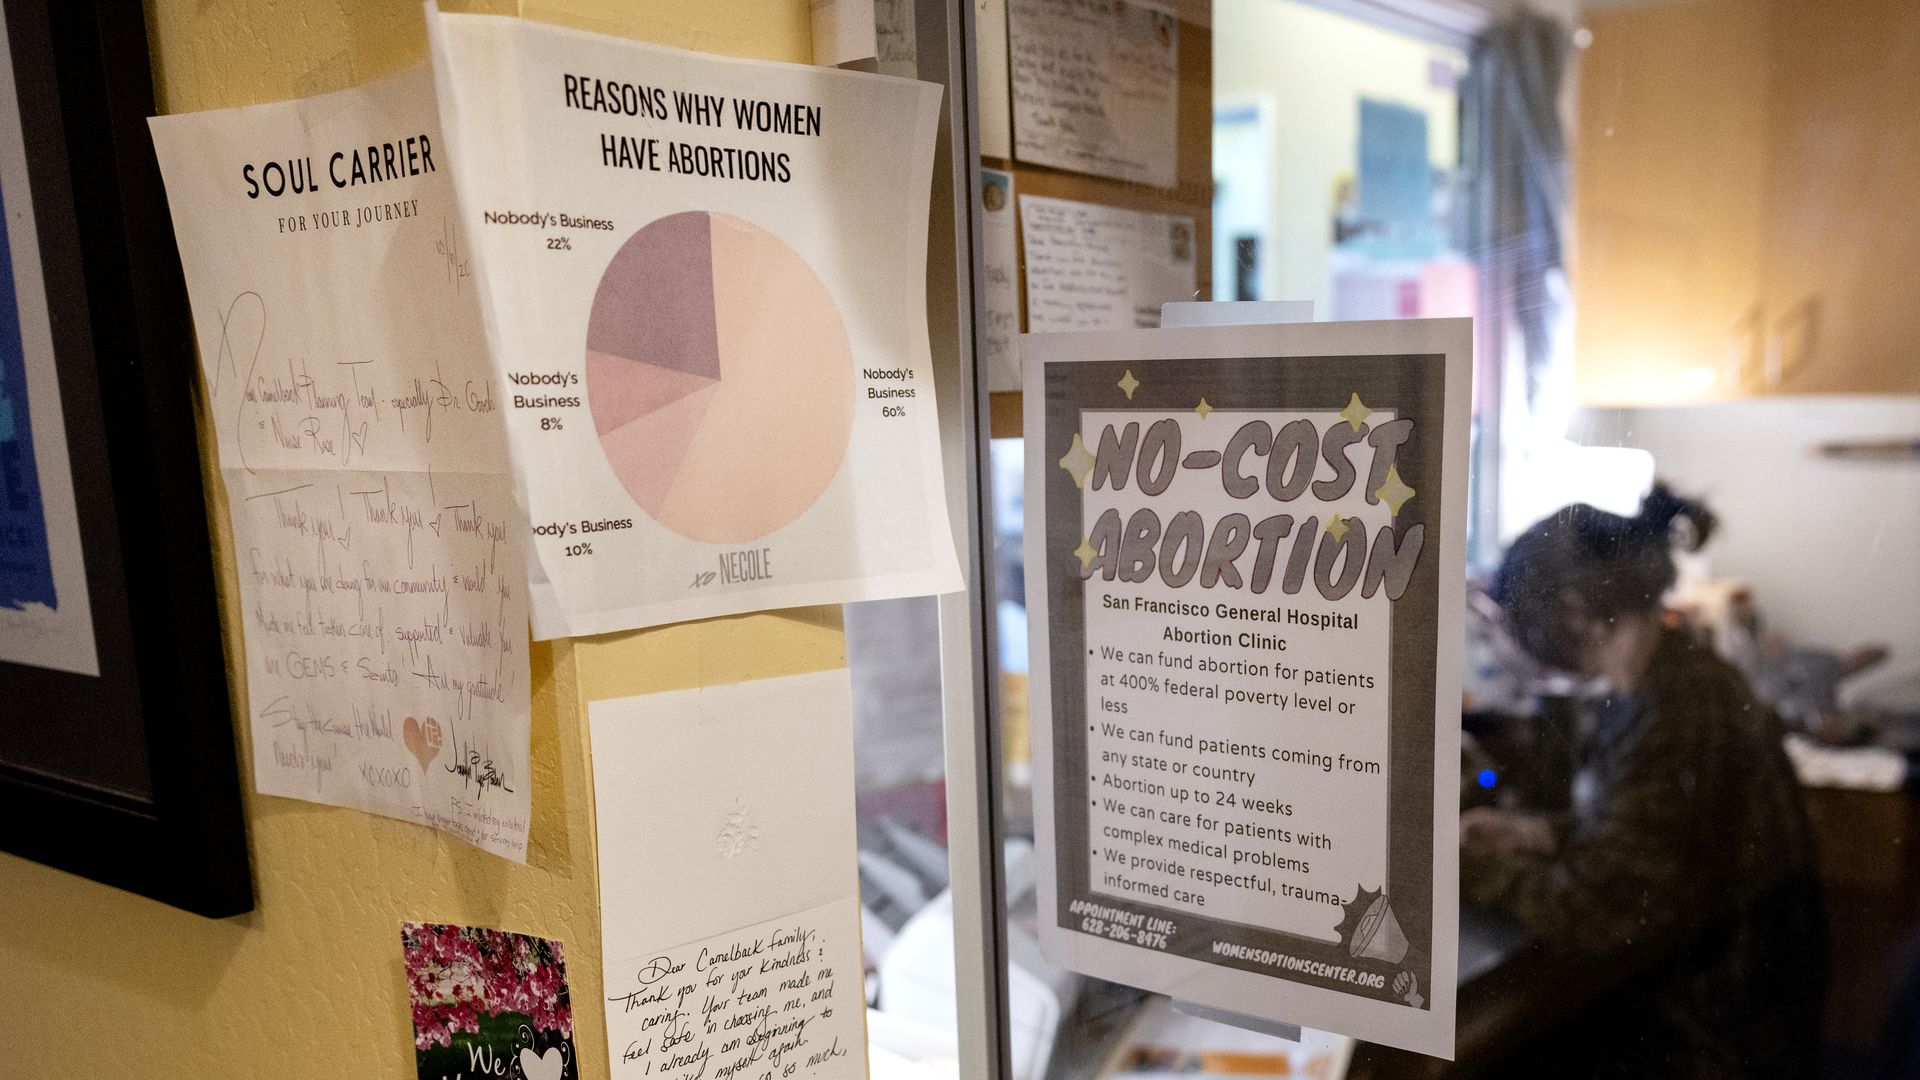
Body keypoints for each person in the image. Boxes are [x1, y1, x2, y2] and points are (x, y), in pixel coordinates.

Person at [1462, 485, 1824, 1079]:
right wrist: (1536, 834)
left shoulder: (1678, 707)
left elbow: (1602, 909)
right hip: (1730, 1011)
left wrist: (1457, 871)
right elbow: (1647, 836)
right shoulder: (1670, 679)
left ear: (1575, 612)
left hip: (1713, 1039)